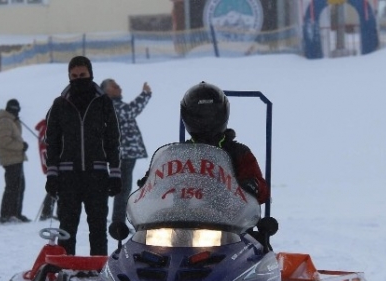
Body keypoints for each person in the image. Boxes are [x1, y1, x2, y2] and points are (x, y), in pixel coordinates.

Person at [110, 81, 269, 241]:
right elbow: (152, 186)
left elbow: (262, 191)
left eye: (210, 114)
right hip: (179, 225)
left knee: (255, 248)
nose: (205, 120)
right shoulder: (175, 154)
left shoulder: (238, 152)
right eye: (200, 115)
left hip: (229, 228)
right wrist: (150, 184)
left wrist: (252, 186)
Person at [45, 56, 121, 256]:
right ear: (69, 77)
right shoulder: (60, 104)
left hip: (97, 175)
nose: (79, 79)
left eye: (83, 75)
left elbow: (112, 139)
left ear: (91, 74)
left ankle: (98, 271)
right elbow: (52, 142)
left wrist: (115, 173)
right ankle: (64, 271)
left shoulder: (103, 102)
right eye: (74, 76)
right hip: (68, 176)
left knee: (97, 228)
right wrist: (52, 175)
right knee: (67, 228)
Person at [100, 78, 152, 226]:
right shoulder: (111, 106)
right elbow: (130, 111)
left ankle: (118, 220)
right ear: (106, 91)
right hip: (124, 154)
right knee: (122, 189)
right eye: (114, 86)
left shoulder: (111, 105)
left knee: (122, 188)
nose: (119, 87)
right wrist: (145, 95)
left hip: (126, 154)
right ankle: (118, 222)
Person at [0, 99, 30, 224]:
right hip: (11, 159)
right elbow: (4, 142)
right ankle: (7, 214)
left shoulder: (11, 121)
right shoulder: (5, 121)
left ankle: (15, 213)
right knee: (12, 186)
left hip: (15, 158)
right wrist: (21, 146)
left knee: (18, 186)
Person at [35, 118, 57, 221]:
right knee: (56, 186)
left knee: (57, 186)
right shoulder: (46, 127)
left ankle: (48, 212)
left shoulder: (46, 126)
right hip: (53, 161)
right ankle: (47, 212)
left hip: (52, 160)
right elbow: (45, 147)